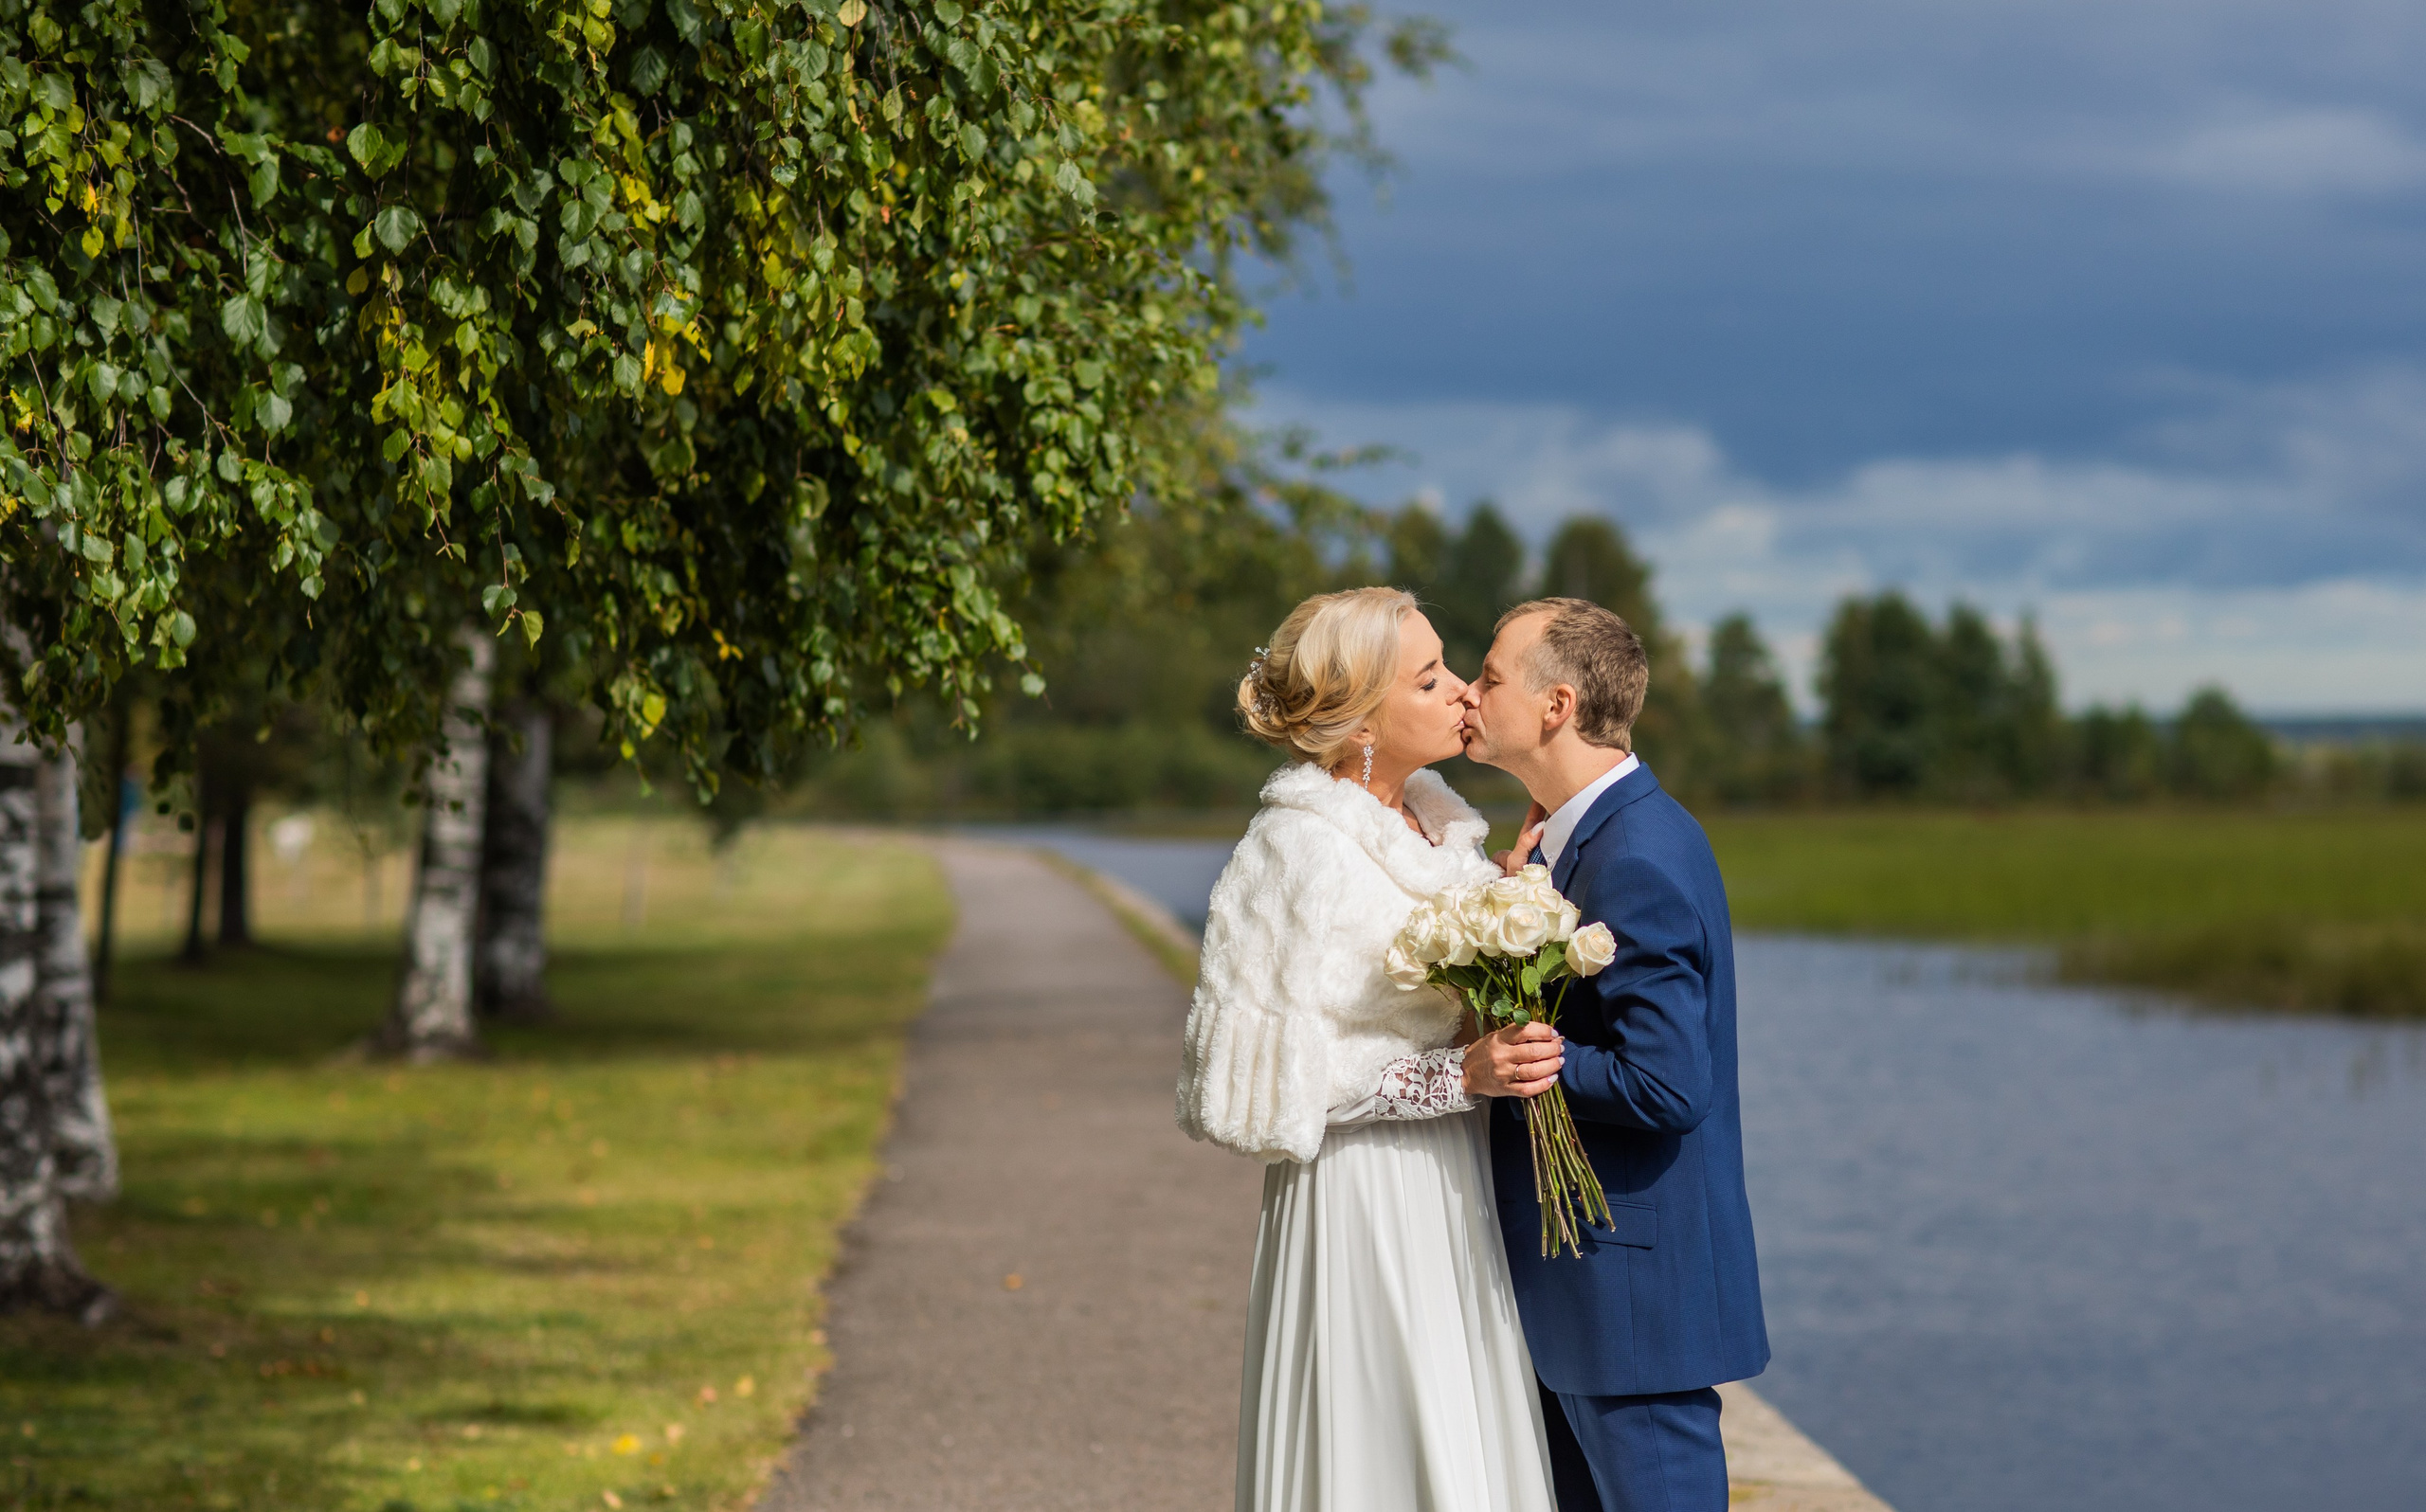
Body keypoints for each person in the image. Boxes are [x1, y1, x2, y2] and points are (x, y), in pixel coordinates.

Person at [1175, 585, 1566, 1511]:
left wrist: (1519, 918)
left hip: (1457, 1180)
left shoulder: (1440, 829)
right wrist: (1450, 1076)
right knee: (1383, 1437)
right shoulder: (1293, 853)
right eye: (1430, 679)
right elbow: (1257, 1094)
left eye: (1453, 669)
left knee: (1466, 1433)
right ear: (1359, 718)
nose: (1464, 692)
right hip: (1362, 1195)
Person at [1456, 597, 1770, 1512]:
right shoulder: (1587, 838)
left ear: (1555, 705)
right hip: (1591, 1288)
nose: (1471, 696)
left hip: (1632, 1295)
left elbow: (1668, 1083)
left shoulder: (1634, 853)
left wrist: (1518, 1061)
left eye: (1490, 677)